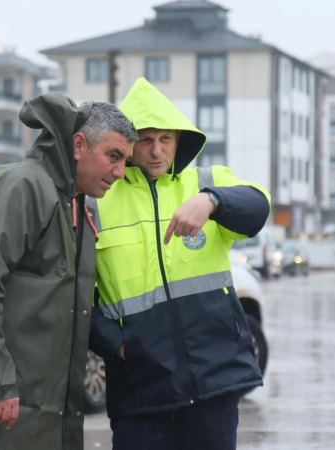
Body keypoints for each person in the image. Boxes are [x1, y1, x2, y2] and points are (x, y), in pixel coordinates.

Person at [0, 93, 137, 450]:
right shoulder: (24, 185)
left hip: (38, 408)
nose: (120, 172)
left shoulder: (77, 205)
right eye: (113, 156)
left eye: (124, 161)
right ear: (79, 145)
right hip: (0, 404)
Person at [89, 78, 271, 450]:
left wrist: (212, 201)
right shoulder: (98, 200)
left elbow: (258, 205)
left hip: (214, 383)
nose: (156, 151)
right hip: (141, 390)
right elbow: (76, 295)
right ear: (128, 143)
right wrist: (117, 346)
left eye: (166, 139)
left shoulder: (208, 181)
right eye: (145, 139)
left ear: (179, 140)